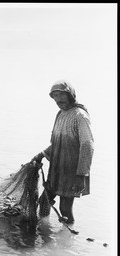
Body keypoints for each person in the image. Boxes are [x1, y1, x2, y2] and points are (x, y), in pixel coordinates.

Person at [32, 80, 94, 224]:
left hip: (72, 171)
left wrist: (81, 175)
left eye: (61, 95)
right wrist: (41, 155)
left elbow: (87, 145)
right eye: (55, 96)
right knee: (44, 202)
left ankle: (67, 239)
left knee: (65, 208)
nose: (58, 99)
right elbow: (56, 143)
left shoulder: (80, 116)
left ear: (70, 95)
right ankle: (44, 232)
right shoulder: (60, 114)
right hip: (57, 168)